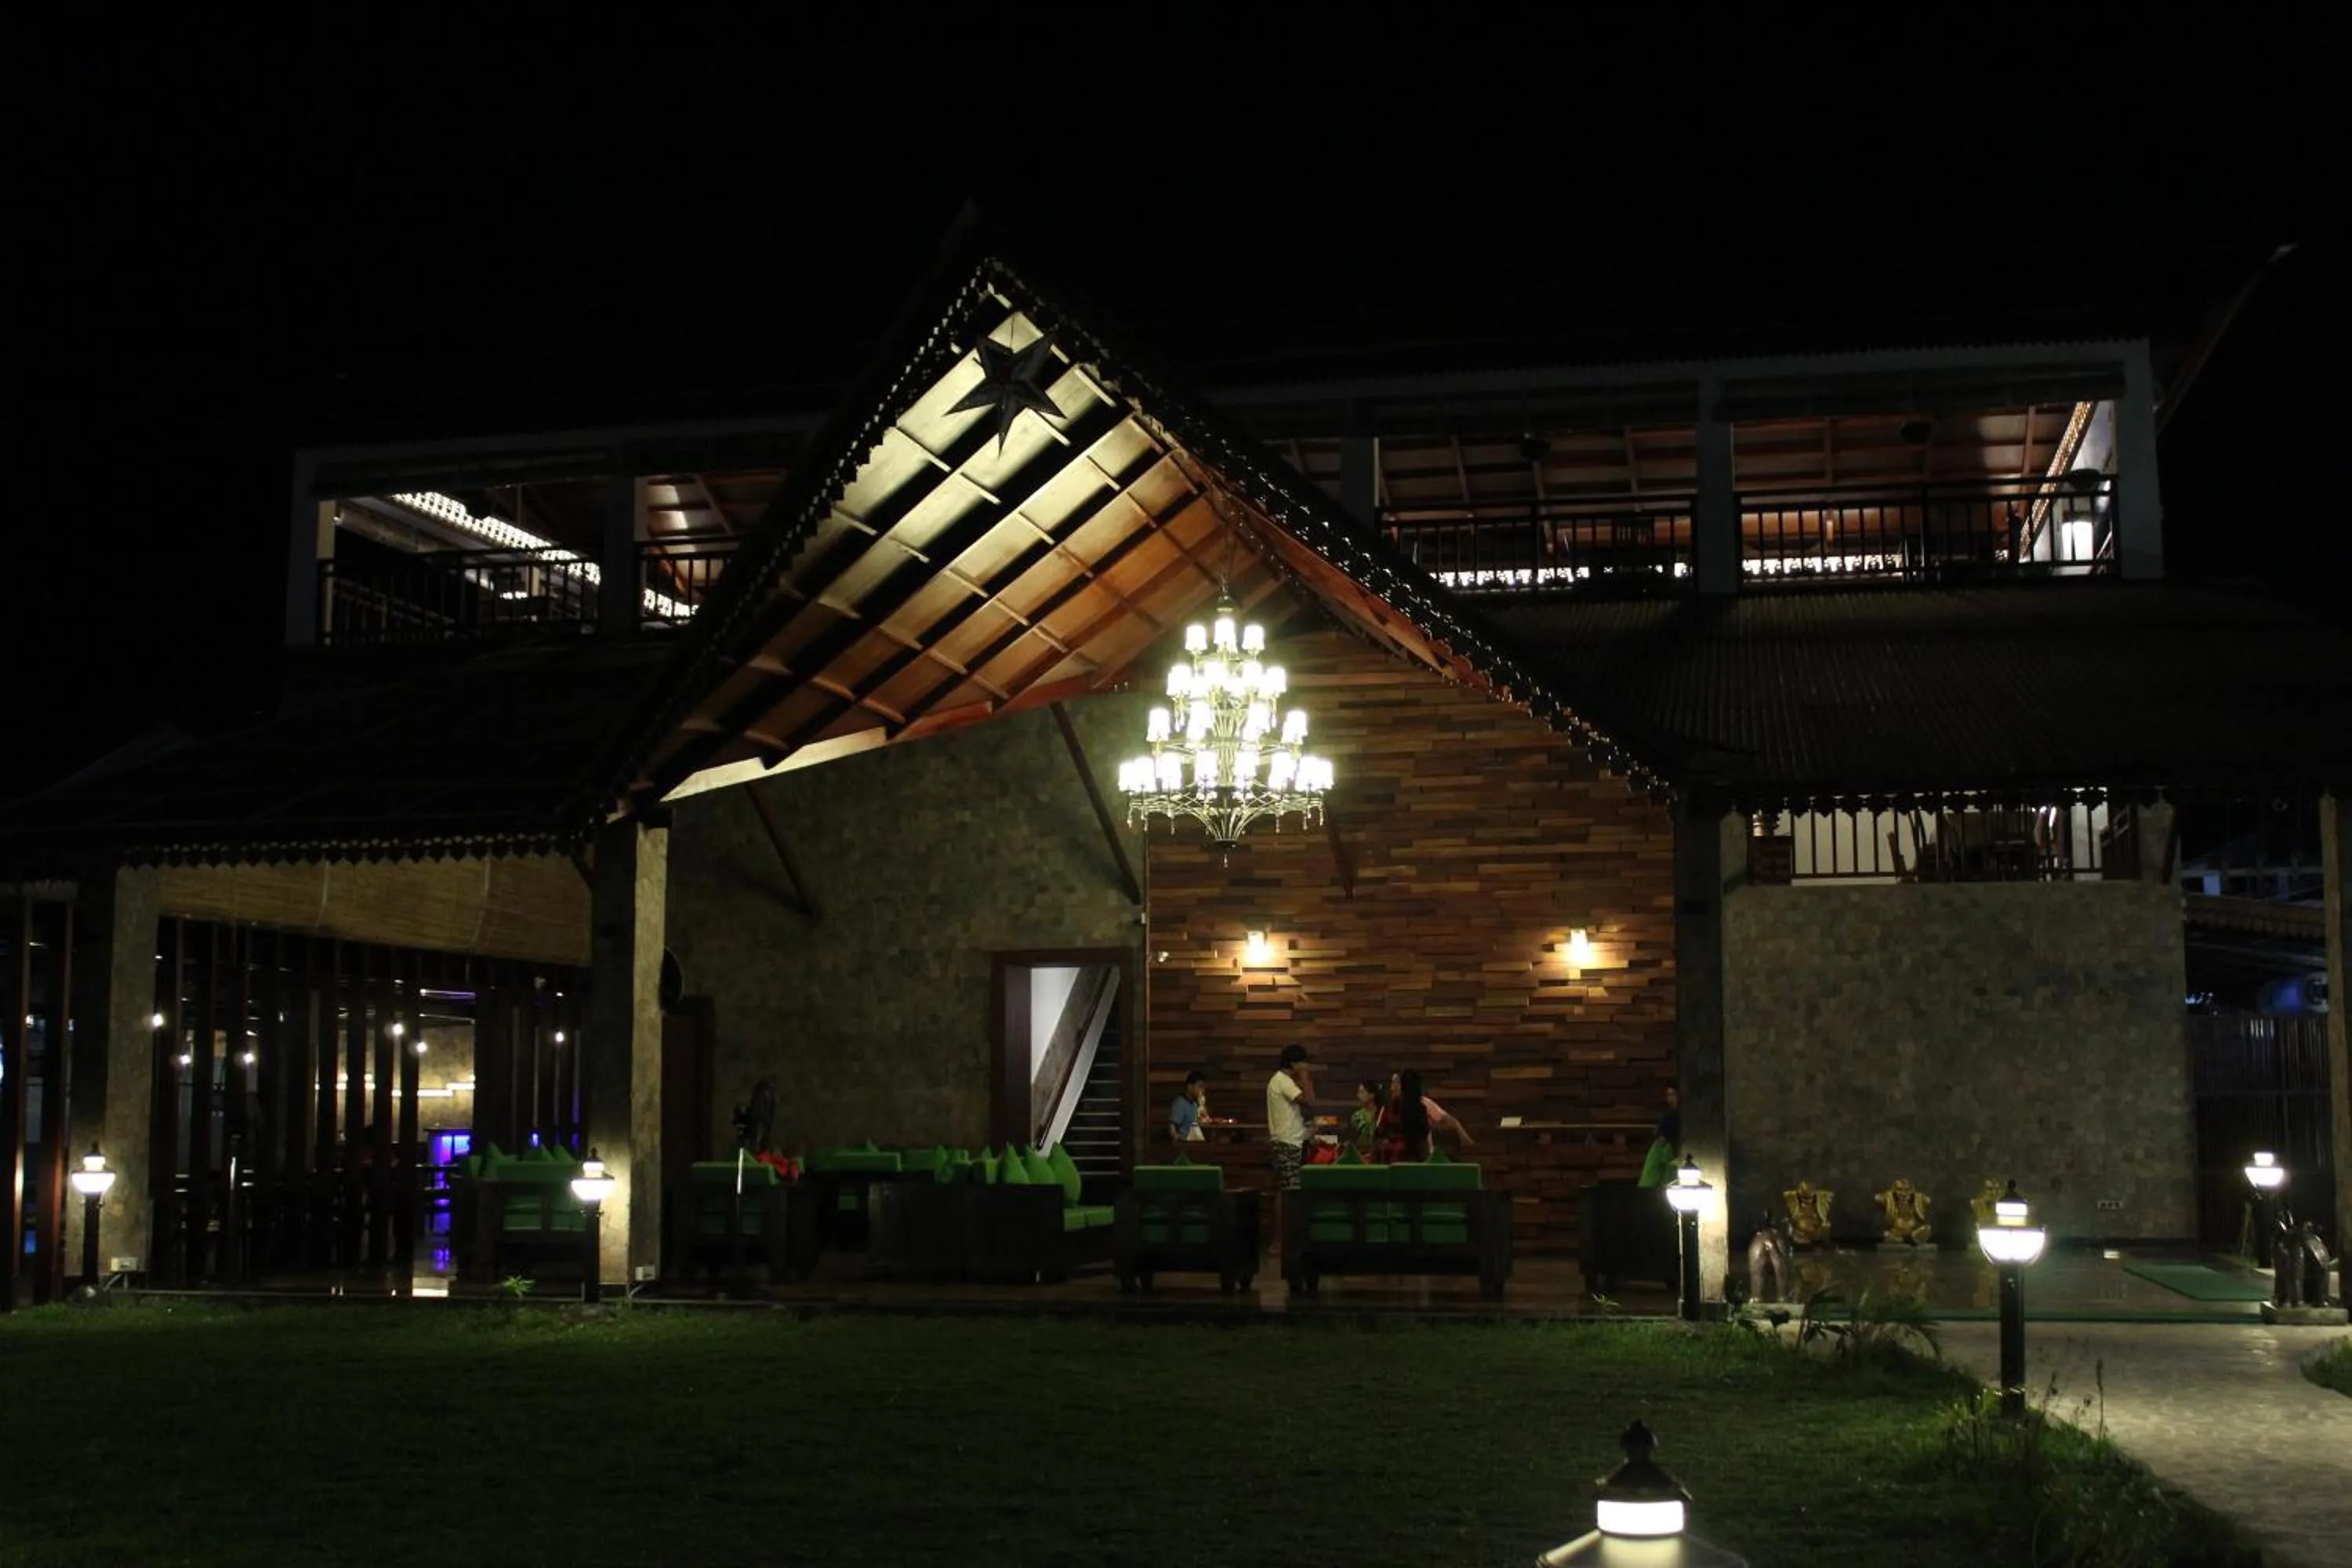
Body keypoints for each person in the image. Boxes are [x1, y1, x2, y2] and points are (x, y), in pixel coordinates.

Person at [1377, 1069, 1474, 1162]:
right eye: (1392, 1083)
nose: (1393, 1087)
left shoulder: (1422, 1103)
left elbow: (1448, 1119)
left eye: (1397, 1083)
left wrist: (1465, 1138)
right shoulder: (1387, 1108)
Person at [1265, 1044, 1316, 1195]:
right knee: (1291, 1192)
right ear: (1294, 1063)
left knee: (1285, 1191)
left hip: (1286, 1142)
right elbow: (1309, 1101)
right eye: (1303, 1063)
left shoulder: (1282, 1080)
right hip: (1287, 1144)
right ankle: (1288, 1219)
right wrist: (1305, 1075)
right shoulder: (1283, 1081)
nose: (1305, 1066)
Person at [1347, 1080, 1385, 1157]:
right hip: (1361, 1154)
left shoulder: (1382, 1114)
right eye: (1358, 1092)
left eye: (1362, 1092)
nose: (1358, 1095)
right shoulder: (1356, 1116)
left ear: (1372, 1095)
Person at [1168, 1071, 1208, 1144]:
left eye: (1203, 1088)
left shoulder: (1197, 1104)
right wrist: (1176, 1141)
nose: (1202, 1091)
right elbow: (1172, 1126)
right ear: (1190, 1086)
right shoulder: (1180, 1102)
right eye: (1199, 1087)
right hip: (1185, 1144)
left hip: (1199, 1142)